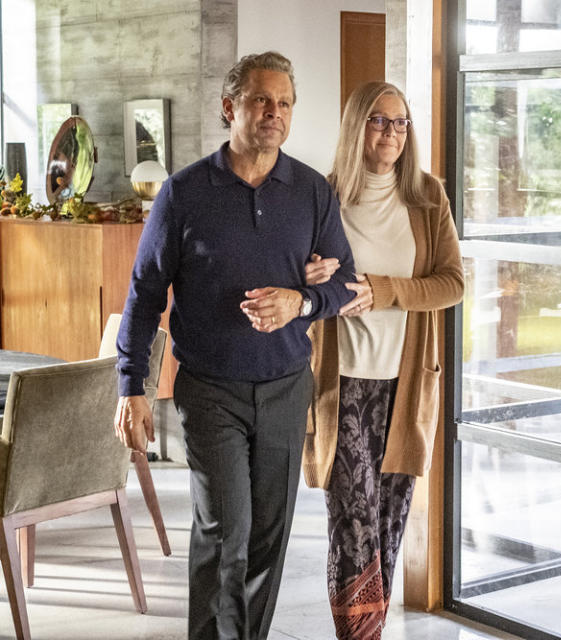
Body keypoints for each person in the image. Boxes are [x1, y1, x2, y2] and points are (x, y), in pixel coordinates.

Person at [113, 51, 356, 640]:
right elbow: (145, 295)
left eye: (285, 103)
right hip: (210, 390)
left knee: (268, 538)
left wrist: (303, 302)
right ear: (230, 107)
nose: (273, 113)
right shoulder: (184, 193)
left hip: (285, 387)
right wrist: (132, 387)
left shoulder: (312, 193)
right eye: (260, 100)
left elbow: (347, 282)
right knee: (227, 531)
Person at [301, 81, 464, 639]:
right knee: (353, 523)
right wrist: (308, 277)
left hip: (404, 386)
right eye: (378, 120)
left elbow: (451, 283)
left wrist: (385, 290)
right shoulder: (322, 196)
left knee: (389, 524)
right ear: (356, 126)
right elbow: (293, 277)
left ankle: (370, 632)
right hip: (340, 385)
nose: (391, 132)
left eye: (400, 123)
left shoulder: (427, 197)